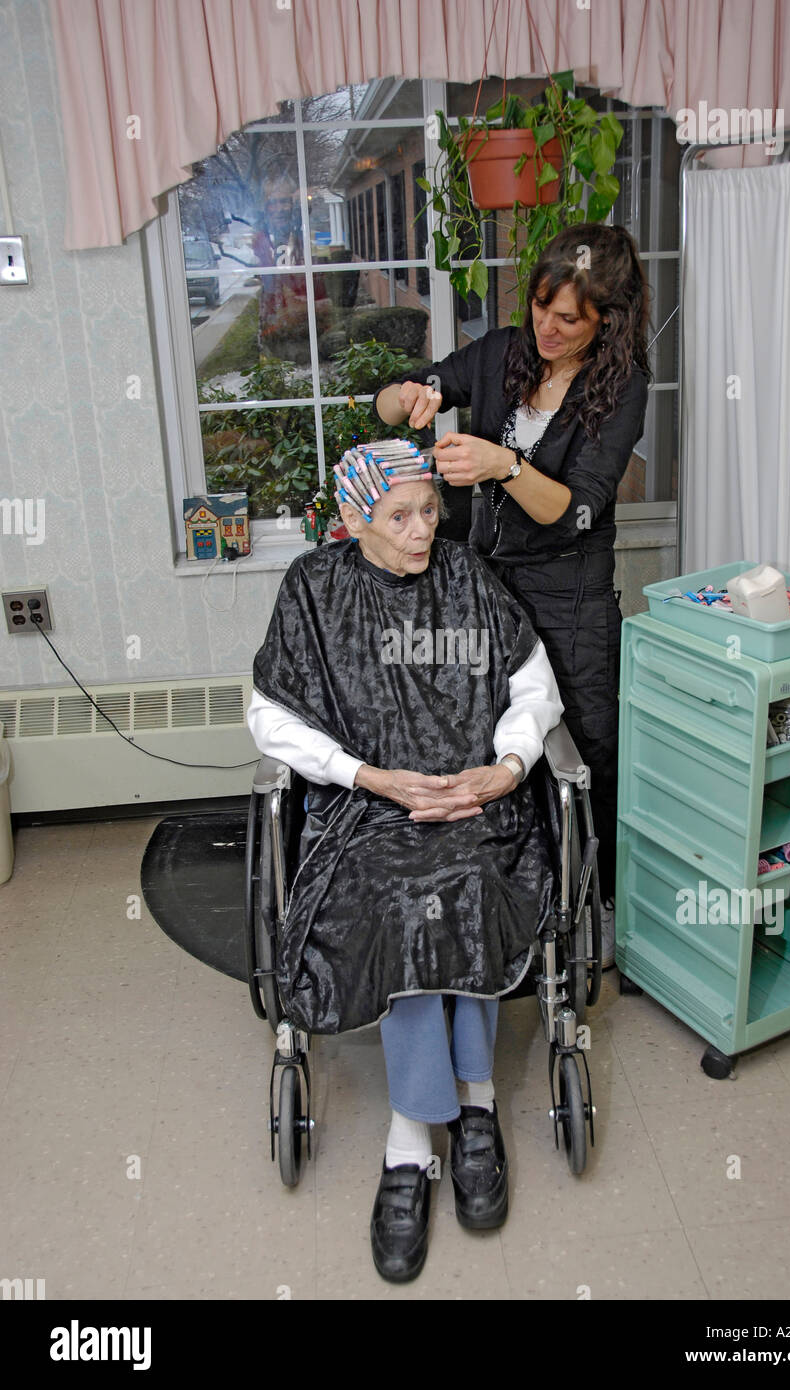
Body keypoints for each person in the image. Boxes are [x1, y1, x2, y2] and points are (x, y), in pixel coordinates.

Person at [246, 446, 564, 1283]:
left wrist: (506, 765)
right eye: (400, 516)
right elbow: (269, 718)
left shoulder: (467, 579)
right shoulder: (314, 590)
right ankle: (413, 1137)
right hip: (368, 808)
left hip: (471, 798)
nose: (423, 529)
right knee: (398, 893)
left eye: (430, 510)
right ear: (356, 521)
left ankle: (478, 1102)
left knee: (466, 875)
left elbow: (535, 687)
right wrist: (368, 776)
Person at [374, 224, 651, 965]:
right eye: (541, 308)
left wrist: (500, 462)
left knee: (584, 749)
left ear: (607, 320)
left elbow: (578, 506)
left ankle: (594, 909)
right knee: (493, 735)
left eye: (570, 318)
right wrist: (408, 398)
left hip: (572, 595)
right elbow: (393, 403)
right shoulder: (502, 352)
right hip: (484, 586)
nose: (549, 328)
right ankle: (516, 895)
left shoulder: (620, 386)